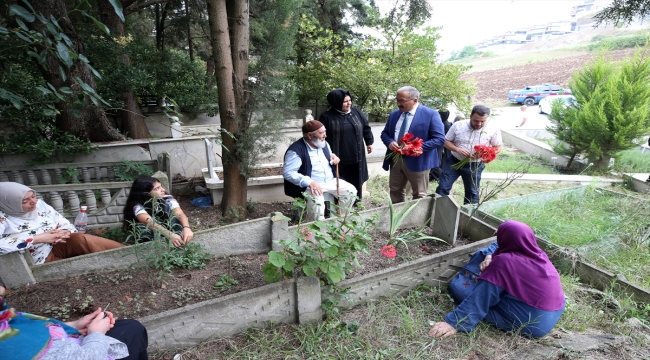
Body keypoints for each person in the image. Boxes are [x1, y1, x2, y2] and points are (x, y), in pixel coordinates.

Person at [429, 220, 565, 339]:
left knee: (458, 286)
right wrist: (489, 255)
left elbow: (482, 297)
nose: (497, 237)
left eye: (499, 235)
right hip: (553, 311)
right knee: (483, 253)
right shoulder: (536, 252)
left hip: (532, 323)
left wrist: (454, 323)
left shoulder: (505, 262)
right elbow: (498, 245)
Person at [0, 285, 149, 359]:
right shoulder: (11, 346)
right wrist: (96, 334)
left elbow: (32, 328)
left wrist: (73, 326)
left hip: (66, 342)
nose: (2, 288)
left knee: (129, 327)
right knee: (132, 331)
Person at [0, 182, 124, 265]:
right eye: (25, 200)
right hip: (38, 258)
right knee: (81, 267)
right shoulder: (3, 218)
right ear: (9, 203)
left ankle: (128, 254)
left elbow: (62, 221)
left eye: (33, 196)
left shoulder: (39, 204)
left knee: (83, 239)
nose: (33, 202)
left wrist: (65, 231)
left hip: (60, 244)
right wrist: (37, 239)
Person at [380, 86, 446, 203]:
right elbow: (385, 134)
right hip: (396, 160)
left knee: (419, 195)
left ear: (415, 100)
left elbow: (440, 139)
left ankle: (416, 220)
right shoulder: (394, 115)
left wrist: (415, 148)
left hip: (419, 161)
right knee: (395, 190)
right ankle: (398, 218)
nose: (398, 104)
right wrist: (390, 143)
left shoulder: (430, 115)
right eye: (397, 100)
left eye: (402, 101)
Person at [283, 120, 357, 220]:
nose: (325, 135)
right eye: (321, 133)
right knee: (317, 203)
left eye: (324, 132)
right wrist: (309, 182)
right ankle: (315, 229)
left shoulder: (323, 144)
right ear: (310, 135)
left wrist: (334, 157)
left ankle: (339, 220)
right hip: (312, 185)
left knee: (351, 191)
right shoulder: (296, 150)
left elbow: (330, 155)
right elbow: (288, 173)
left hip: (330, 180)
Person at [435, 105, 503, 204]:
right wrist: (457, 149)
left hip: (475, 165)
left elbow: (498, 147)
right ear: (470, 116)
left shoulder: (493, 128)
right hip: (454, 161)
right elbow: (446, 141)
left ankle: (467, 216)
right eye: (476, 120)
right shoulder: (458, 125)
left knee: (472, 193)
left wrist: (486, 153)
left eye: (482, 121)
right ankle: (438, 211)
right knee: (442, 187)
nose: (479, 124)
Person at [319, 89, 374, 201]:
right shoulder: (326, 117)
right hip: (338, 157)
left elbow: (366, 127)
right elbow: (320, 136)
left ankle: (355, 202)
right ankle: (339, 204)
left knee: (356, 177)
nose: (349, 103)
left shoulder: (356, 112)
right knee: (340, 180)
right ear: (336, 102)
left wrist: (369, 142)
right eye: (345, 101)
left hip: (356, 154)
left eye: (350, 100)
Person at [123, 176, 193, 247]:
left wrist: (186, 227)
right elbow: (148, 222)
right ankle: (149, 247)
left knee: (176, 219)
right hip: (151, 232)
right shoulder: (137, 206)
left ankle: (180, 240)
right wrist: (170, 235)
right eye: (157, 188)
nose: (163, 190)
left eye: (161, 186)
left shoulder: (166, 197)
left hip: (164, 228)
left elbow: (179, 212)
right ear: (146, 193)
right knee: (142, 227)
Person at [429, 109, 453, 182]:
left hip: (441, 146)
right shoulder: (446, 124)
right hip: (442, 146)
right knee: (439, 162)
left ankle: (443, 177)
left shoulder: (444, 125)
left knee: (435, 163)